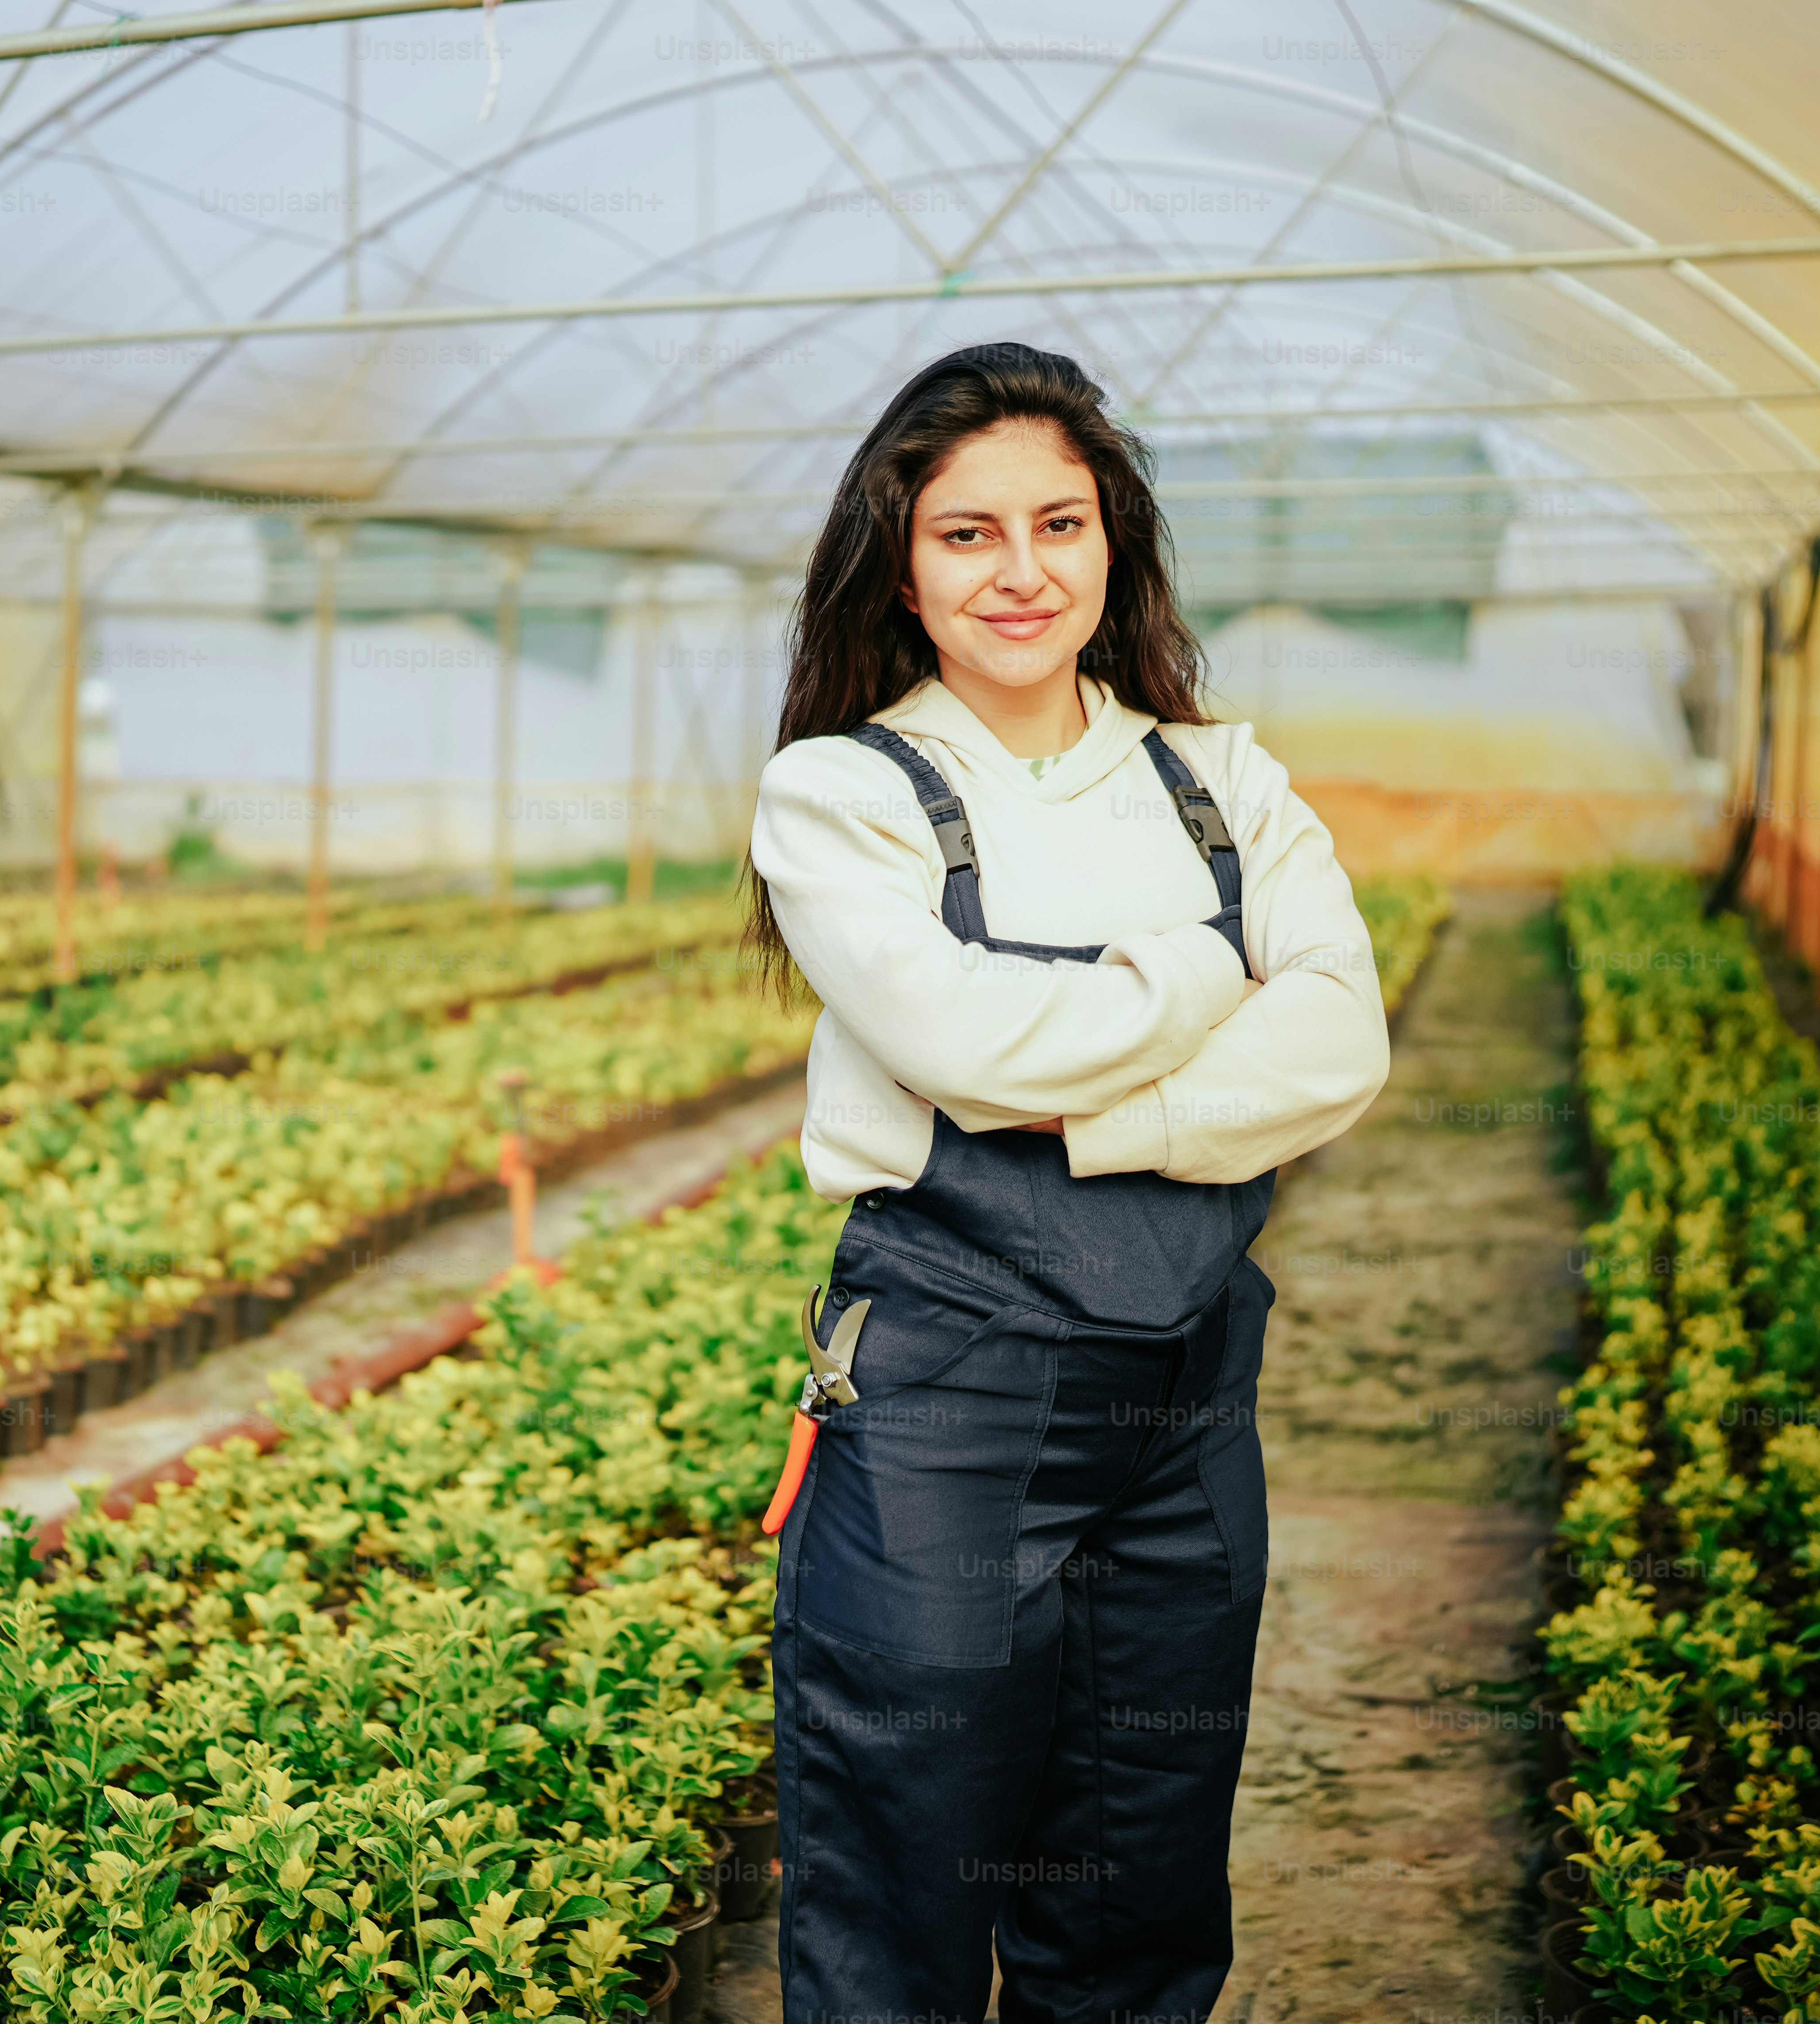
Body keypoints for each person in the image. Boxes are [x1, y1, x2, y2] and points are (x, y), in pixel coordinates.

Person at [745, 340, 1392, 2022]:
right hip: (953, 1404)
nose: (1021, 572)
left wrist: (1088, 1098)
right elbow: (970, 1053)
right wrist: (1200, 972)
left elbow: (1338, 1048)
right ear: (901, 559)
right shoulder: (842, 793)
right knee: (897, 1884)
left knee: (1138, 1891)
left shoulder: (1219, 778)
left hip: (1183, 1412)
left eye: (1061, 523)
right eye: (968, 535)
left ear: (1118, 545)